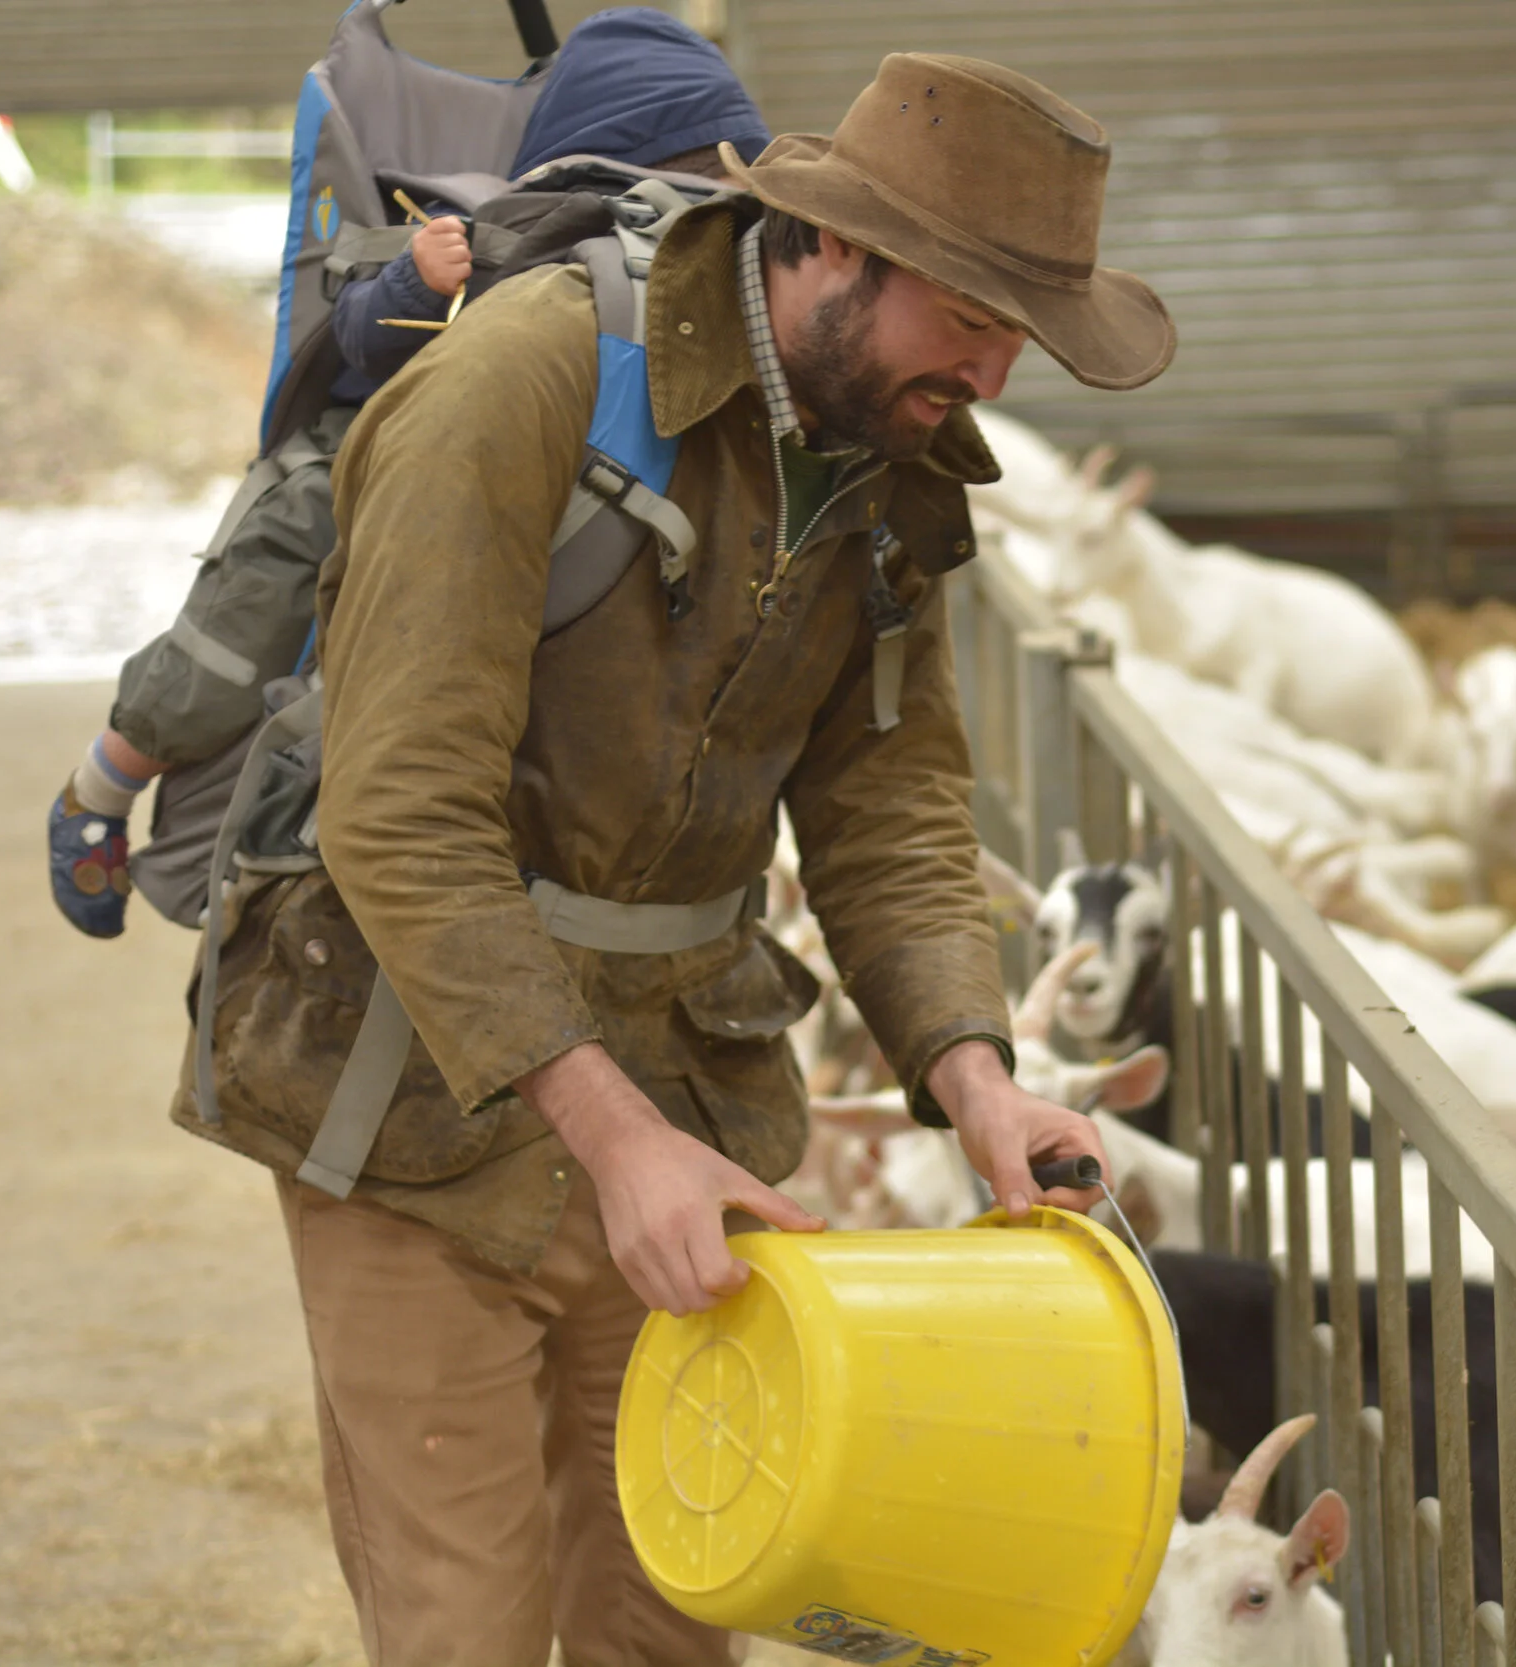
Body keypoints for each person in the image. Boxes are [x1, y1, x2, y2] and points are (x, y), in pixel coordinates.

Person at [174, 51, 1173, 1667]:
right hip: (413, 1096)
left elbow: (890, 801)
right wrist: (613, 1138)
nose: (994, 370)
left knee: (678, 1608)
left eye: (1023, 335)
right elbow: (398, 809)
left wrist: (977, 1076)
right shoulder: (525, 382)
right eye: (970, 316)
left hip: (690, 1096)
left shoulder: (894, 459)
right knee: (463, 1626)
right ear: (832, 246)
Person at [46, 6, 771, 938]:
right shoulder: (494, 233)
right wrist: (414, 281)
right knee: (239, 631)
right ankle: (103, 782)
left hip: (519, 502)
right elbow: (351, 331)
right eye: (701, 182)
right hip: (360, 456)